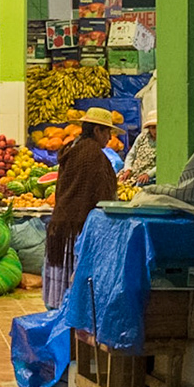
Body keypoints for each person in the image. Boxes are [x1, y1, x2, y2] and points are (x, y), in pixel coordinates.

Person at [42, 108, 120, 307]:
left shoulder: (75, 147)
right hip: (77, 225)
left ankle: (59, 316)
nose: (109, 138)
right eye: (106, 132)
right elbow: (99, 192)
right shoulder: (92, 154)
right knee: (74, 291)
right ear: (96, 131)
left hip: (62, 222)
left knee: (60, 293)